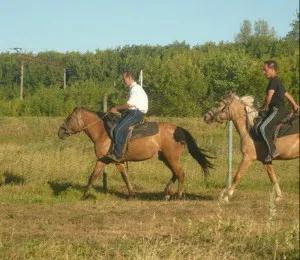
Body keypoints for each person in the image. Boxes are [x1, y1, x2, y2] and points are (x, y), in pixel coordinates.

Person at [259, 60, 299, 163]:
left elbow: (269, 96)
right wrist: (294, 104)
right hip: (281, 110)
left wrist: (263, 107)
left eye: (265, 70)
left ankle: (272, 151)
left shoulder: (273, 81)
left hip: (276, 110)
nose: (264, 72)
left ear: (272, 69)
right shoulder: (278, 81)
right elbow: (286, 94)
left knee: (263, 128)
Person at [106, 71, 148, 162]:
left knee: (118, 129)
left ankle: (118, 155)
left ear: (129, 78)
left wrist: (116, 108)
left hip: (135, 113)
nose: (123, 81)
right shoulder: (134, 88)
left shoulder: (135, 89)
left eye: (124, 79)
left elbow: (129, 104)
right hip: (132, 112)